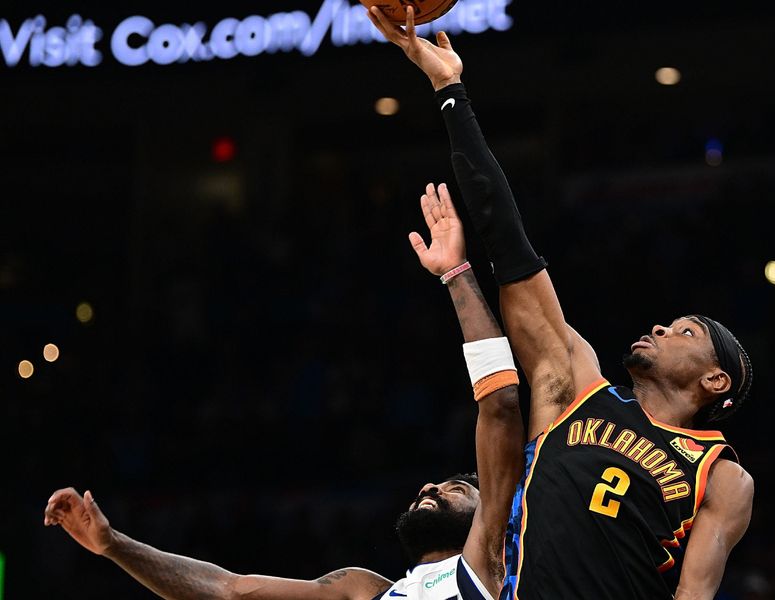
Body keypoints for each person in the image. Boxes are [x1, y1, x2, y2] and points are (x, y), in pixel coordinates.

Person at [367, 7, 755, 600]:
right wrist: (450, 90)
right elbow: (509, 243)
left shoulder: (721, 476)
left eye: (684, 332)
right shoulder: (571, 386)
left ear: (716, 378)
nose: (660, 326)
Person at [44, 183, 525, 600]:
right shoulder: (362, 589)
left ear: (490, 515)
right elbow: (228, 590)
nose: (429, 487)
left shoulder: (487, 564)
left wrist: (457, 274)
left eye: (457, 489)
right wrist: (113, 545)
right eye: (440, 484)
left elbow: (500, 405)